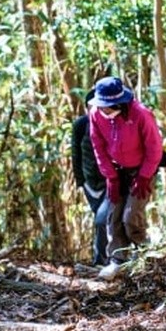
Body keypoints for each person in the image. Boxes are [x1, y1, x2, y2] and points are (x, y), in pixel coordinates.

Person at [88, 76, 163, 280]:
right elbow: (98, 146)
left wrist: (145, 175)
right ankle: (118, 260)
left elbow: (155, 147)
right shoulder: (95, 114)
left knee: (131, 217)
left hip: (141, 171)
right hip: (116, 172)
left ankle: (143, 256)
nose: (103, 110)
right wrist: (111, 177)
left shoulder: (141, 114)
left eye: (107, 106)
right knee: (113, 217)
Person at [71, 89, 109, 266]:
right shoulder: (80, 125)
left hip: (109, 182)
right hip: (89, 185)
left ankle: (102, 260)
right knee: (100, 221)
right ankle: (103, 259)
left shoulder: (111, 125)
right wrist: (81, 182)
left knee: (102, 220)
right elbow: (76, 154)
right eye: (90, 107)